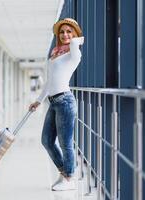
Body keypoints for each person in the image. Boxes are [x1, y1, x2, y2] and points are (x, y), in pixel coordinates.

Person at [29, 18, 84, 191]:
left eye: (69, 31)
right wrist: (38, 101)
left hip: (65, 101)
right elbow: (49, 82)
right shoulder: (55, 53)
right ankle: (65, 172)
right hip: (53, 102)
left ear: (75, 34)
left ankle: (69, 178)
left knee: (65, 143)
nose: (65, 34)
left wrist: (76, 40)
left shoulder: (74, 54)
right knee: (46, 140)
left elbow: (75, 46)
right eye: (62, 32)